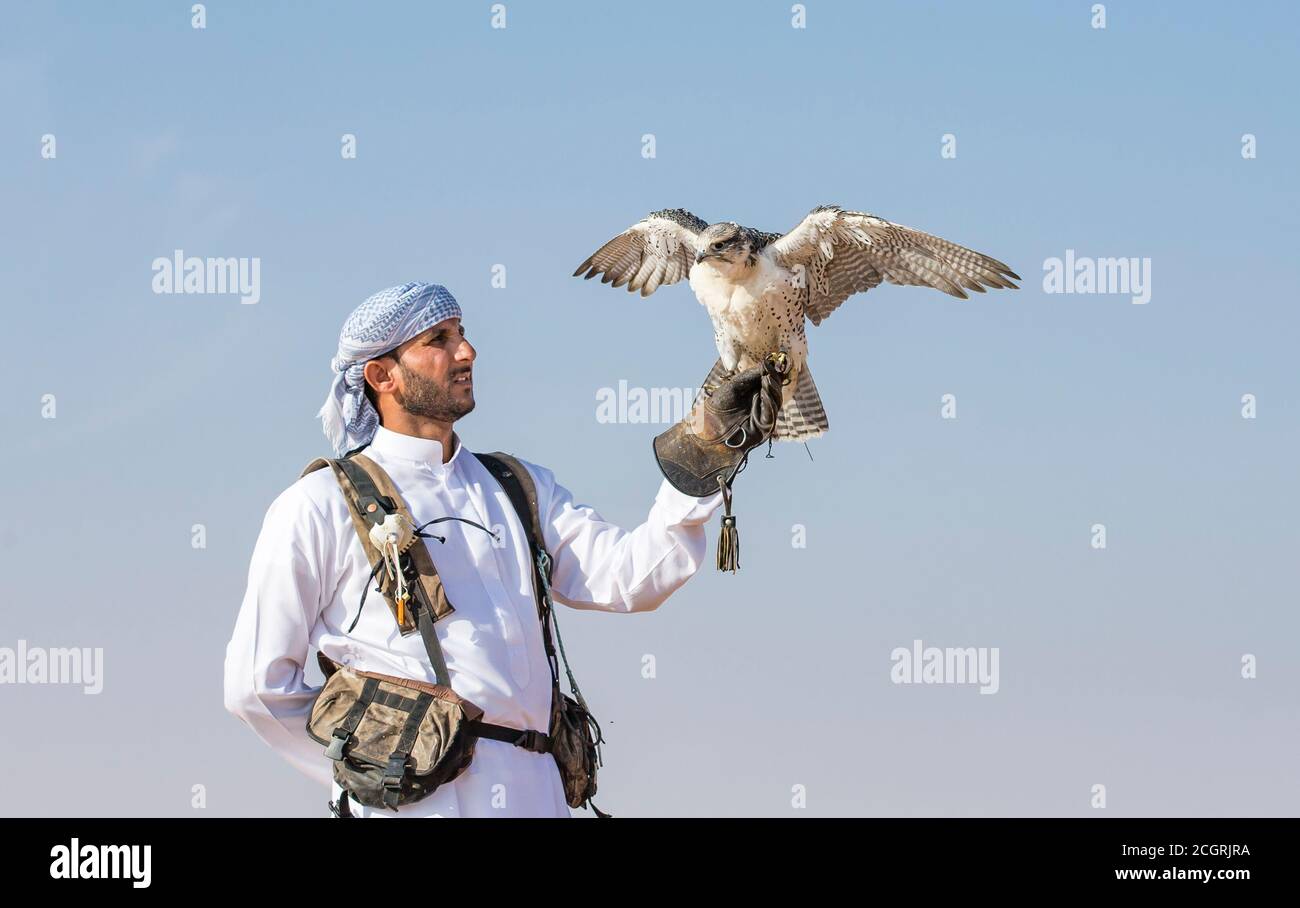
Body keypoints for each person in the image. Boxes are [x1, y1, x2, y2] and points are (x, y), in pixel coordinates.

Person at [222, 281, 776, 817]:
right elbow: (256, 686)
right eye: (436, 340)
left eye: (461, 331)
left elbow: (631, 578)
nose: (466, 350)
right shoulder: (319, 503)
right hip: (418, 806)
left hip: (538, 789)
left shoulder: (515, 486)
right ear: (380, 375)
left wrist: (699, 459)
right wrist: (368, 773)